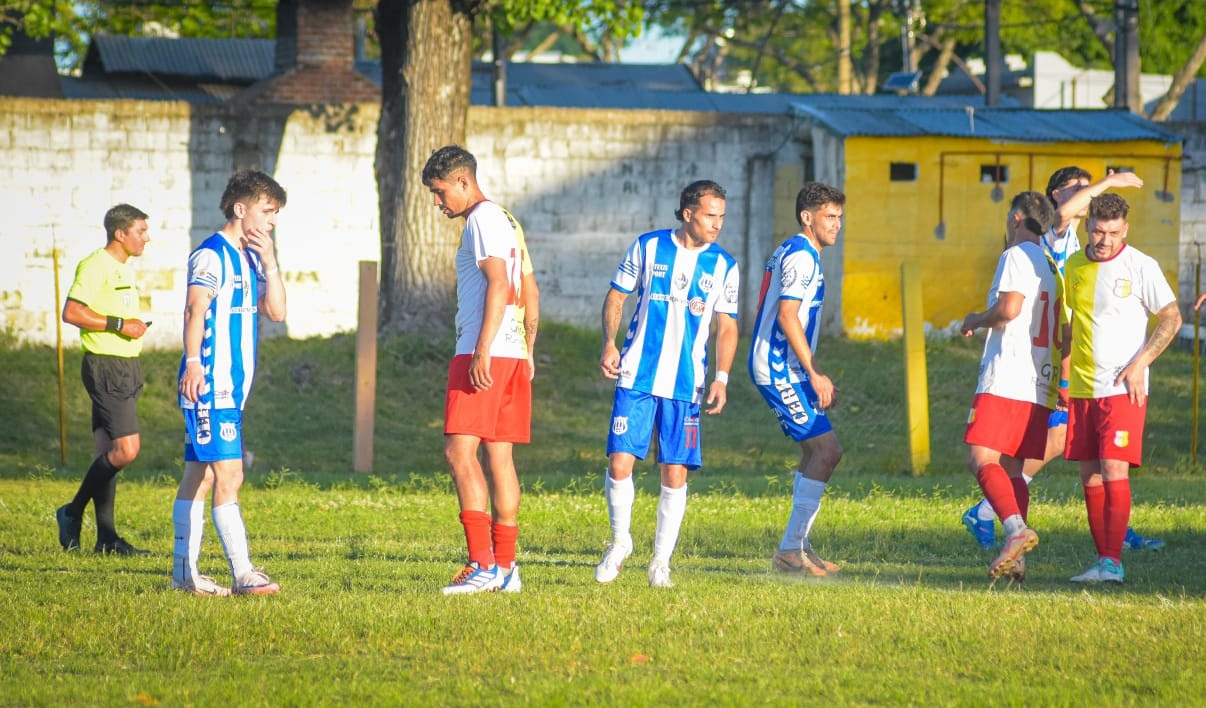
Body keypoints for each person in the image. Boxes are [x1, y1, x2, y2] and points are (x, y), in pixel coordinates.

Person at [961, 167, 1164, 552]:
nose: (1086, 195)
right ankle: (996, 513)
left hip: (1057, 364)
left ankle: (999, 516)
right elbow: (1067, 213)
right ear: (1056, 196)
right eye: (1078, 189)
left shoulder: (1072, 250)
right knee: (1056, 450)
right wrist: (1107, 184)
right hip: (1050, 364)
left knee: (1047, 452)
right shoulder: (1055, 239)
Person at [596, 180, 740, 588]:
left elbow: (726, 327)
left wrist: (722, 378)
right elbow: (616, 297)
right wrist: (610, 342)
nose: (717, 224)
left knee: (675, 472)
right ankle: (620, 541)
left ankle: (660, 563)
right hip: (636, 375)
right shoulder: (648, 247)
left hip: (686, 385)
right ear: (688, 213)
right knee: (620, 463)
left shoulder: (725, 265)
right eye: (711, 215)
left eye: (722, 216)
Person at [422, 145, 539, 596]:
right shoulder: (508, 219)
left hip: (483, 349)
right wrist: (527, 347)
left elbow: (501, 283)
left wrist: (482, 349)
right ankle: (507, 569)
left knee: (459, 453)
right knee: (500, 458)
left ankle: (482, 563)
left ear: (463, 182)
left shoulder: (482, 219)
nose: (438, 202)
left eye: (439, 192)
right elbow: (529, 285)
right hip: (511, 355)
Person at [172, 169, 288, 597]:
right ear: (241, 209)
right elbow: (194, 311)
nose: (272, 220)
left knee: (200, 476)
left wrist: (272, 262)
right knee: (230, 473)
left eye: (275, 214)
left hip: (233, 389)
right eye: (267, 211)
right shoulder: (210, 255)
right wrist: (192, 364)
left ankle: (184, 575)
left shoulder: (253, 256)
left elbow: (276, 312)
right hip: (210, 383)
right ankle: (244, 574)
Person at [1064, 193, 1180, 584]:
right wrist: (1062, 380)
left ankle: (1113, 562)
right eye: (1098, 230)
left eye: (1113, 233)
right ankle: (1102, 561)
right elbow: (1070, 327)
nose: (1105, 240)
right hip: (1082, 388)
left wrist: (1140, 365)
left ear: (1125, 230)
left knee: (1114, 468)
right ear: (1088, 225)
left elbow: (1171, 318)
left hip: (1122, 389)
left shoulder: (1141, 265)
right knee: (1090, 477)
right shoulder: (1074, 266)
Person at [958, 192, 1058, 581]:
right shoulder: (1051, 264)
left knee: (981, 458)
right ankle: (1018, 558)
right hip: (1039, 381)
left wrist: (976, 318)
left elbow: (1009, 309)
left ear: (1016, 218)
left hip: (1009, 375)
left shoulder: (1016, 255)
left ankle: (1017, 532)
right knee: (1014, 469)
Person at [748, 182, 846, 577]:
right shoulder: (802, 257)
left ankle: (798, 547)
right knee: (827, 451)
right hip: (776, 367)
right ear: (807, 217)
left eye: (840, 217)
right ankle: (790, 549)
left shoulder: (797, 250)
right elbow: (788, 317)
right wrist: (814, 373)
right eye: (829, 217)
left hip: (785, 364)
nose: (837, 225)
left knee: (815, 453)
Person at [56, 204, 153, 556]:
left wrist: (132, 327)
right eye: (141, 231)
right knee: (127, 451)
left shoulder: (120, 268)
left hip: (125, 366)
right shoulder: (96, 265)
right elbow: (72, 312)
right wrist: (120, 324)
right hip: (107, 366)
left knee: (106, 452)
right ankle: (72, 510)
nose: (147, 238)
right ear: (120, 233)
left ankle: (107, 539)